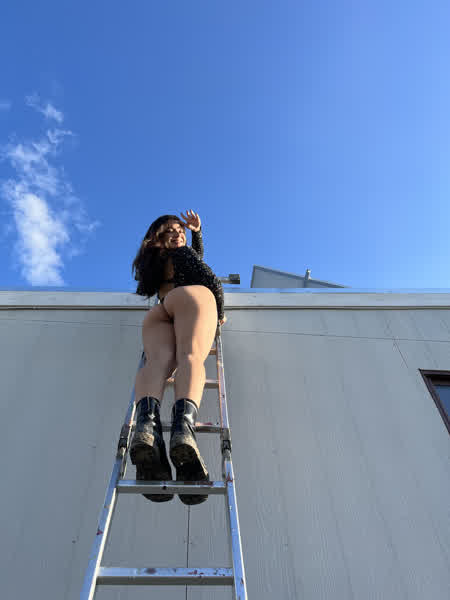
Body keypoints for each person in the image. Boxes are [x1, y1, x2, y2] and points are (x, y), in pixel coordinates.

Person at [131, 210, 226, 505]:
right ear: (162, 237)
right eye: (173, 231)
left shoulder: (154, 261)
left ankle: (147, 427)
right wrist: (219, 313)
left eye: (181, 232)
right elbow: (208, 278)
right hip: (191, 299)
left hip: (159, 312)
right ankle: (183, 429)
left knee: (156, 364)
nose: (179, 235)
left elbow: (191, 260)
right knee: (190, 357)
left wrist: (196, 235)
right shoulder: (182, 254)